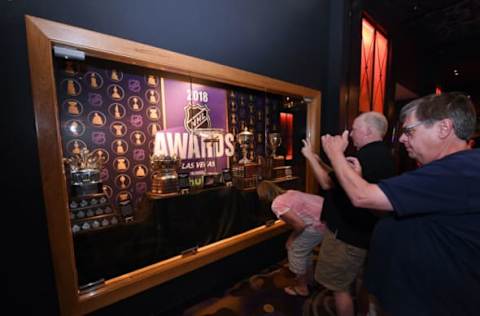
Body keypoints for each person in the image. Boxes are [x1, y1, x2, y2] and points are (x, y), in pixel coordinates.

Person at [320, 92, 480, 316]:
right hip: (407, 293)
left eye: (409, 131)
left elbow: (361, 196)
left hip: (428, 302)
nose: (403, 139)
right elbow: (387, 210)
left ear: (444, 128)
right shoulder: (449, 169)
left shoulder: (460, 170)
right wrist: (361, 181)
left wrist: (335, 153)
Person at [302, 111, 396, 316]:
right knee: (358, 284)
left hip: (347, 237)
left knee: (340, 289)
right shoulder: (382, 154)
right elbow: (339, 180)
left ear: (368, 130)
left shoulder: (366, 156)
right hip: (363, 234)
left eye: (355, 129)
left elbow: (327, 183)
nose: (351, 134)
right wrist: (322, 161)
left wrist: (310, 158)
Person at [257, 180, 326, 297]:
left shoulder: (276, 204)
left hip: (316, 226)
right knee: (305, 251)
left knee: (295, 250)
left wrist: (291, 239)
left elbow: (300, 225)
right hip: (326, 221)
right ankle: (310, 281)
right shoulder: (290, 193)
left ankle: (302, 288)